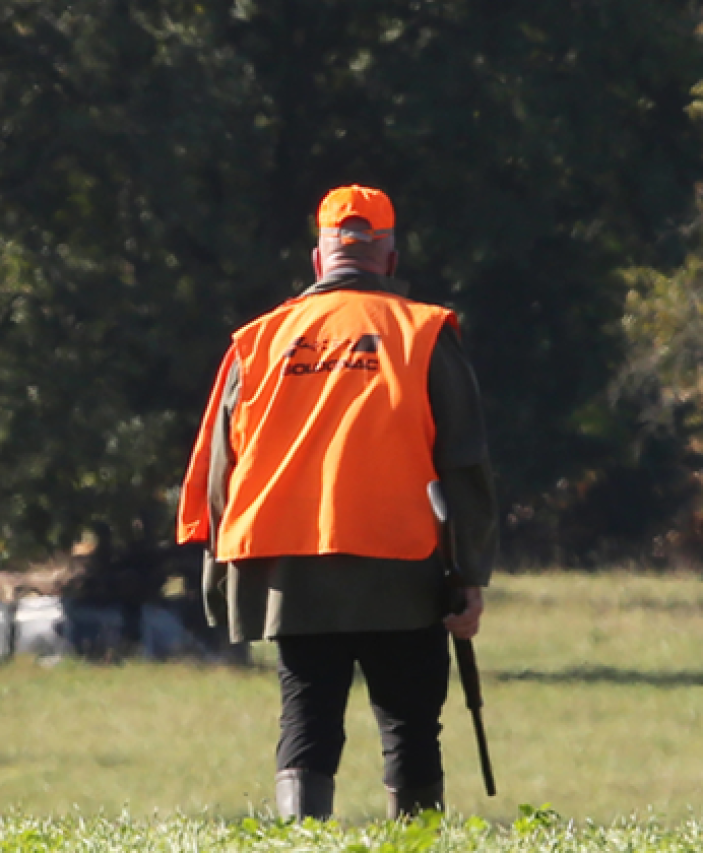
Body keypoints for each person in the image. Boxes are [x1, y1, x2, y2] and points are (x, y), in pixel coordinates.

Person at [176, 185, 498, 821]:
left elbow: (221, 470)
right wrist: (469, 575)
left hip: (293, 572)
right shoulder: (425, 333)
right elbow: (464, 464)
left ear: (320, 262)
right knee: (410, 722)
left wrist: (219, 574)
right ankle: (416, 837)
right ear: (391, 258)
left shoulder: (259, 340)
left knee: (307, 716)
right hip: (402, 563)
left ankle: (302, 836)